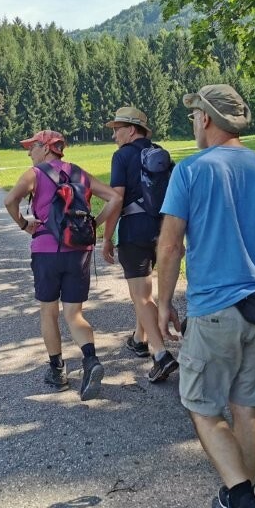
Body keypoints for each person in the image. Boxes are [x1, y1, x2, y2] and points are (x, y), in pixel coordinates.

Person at [157, 84, 255, 508]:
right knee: (247, 408)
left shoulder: (191, 170)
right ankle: (242, 498)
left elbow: (169, 246)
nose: (194, 123)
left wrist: (162, 304)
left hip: (215, 309)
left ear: (206, 119)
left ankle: (242, 500)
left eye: (195, 115)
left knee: (202, 407)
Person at [3, 130, 122, 401]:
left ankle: (57, 371)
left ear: (46, 148)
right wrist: (95, 224)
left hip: (46, 251)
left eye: (32, 147)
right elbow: (116, 198)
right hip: (79, 251)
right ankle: (90, 360)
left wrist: (24, 225)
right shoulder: (79, 173)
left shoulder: (34, 173)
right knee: (74, 314)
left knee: (49, 312)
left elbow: (9, 201)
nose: (29, 152)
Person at [101, 106, 178, 383]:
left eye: (117, 129)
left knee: (140, 295)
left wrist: (107, 236)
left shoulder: (122, 156)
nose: (114, 136)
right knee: (143, 291)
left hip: (133, 232)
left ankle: (160, 355)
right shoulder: (158, 153)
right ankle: (139, 339)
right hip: (162, 230)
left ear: (131, 129)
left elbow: (116, 200)